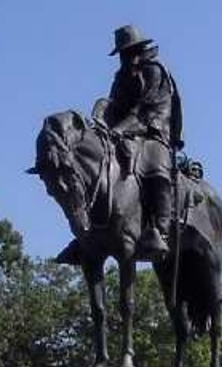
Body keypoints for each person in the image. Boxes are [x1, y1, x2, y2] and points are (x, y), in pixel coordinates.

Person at [93, 25, 183, 258]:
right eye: (123, 53)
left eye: (131, 51)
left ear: (140, 50)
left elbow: (144, 109)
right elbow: (114, 104)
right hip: (126, 132)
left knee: (155, 167)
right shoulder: (121, 77)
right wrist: (101, 113)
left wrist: (120, 128)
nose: (127, 57)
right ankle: (91, 231)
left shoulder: (154, 71)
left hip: (154, 129)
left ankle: (160, 232)